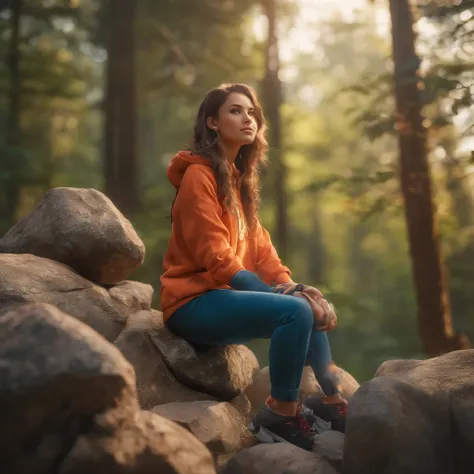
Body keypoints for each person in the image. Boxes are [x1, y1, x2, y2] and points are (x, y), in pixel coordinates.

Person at [160, 83, 347, 451]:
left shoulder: (240, 181)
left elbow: (264, 254)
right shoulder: (199, 176)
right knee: (294, 311)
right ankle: (280, 415)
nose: (247, 118)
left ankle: (332, 401)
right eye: (235, 111)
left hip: (223, 299)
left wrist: (293, 286)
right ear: (212, 123)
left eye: (251, 112)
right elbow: (217, 258)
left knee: (303, 302)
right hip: (192, 303)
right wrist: (282, 296)